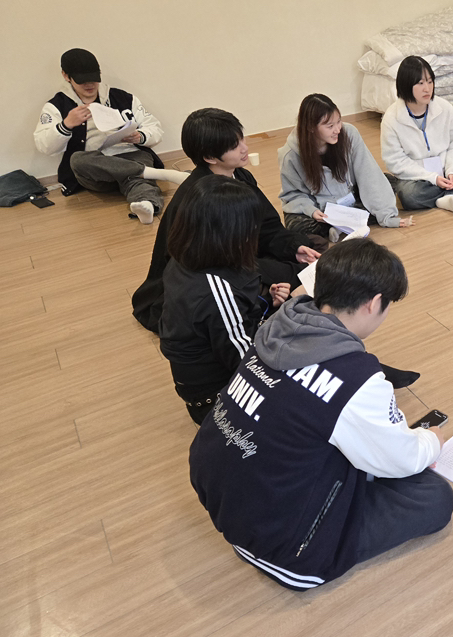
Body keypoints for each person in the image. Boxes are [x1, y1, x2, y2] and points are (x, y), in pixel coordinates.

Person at [189, 238, 453, 590]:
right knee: (434, 496)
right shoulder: (356, 377)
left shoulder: (276, 327)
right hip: (288, 547)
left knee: (336, 439)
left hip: (222, 497)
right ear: (374, 303)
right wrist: (432, 440)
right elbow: (405, 459)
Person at [131, 108, 319, 334]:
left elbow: (267, 226)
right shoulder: (202, 200)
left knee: (310, 246)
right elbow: (212, 266)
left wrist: (293, 247)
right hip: (217, 268)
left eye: (241, 139)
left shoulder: (240, 175)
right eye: (234, 146)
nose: (244, 148)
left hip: (239, 254)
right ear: (210, 157)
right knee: (299, 275)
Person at [159, 175, 291, 424]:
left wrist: (265, 304)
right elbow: (250, 361)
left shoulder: (184, 261)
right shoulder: (216, 292)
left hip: (205, 378)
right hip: (216, 399)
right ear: (230, 233)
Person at [33, 48, 188, 224]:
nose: (90, 85)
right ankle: (163, 175)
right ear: (66, 76)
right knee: (77, 159)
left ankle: (147, 206)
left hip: (131, 155)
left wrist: (140, 136)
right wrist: (66, 125)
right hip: (97, 170)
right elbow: (44, 146)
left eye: (94, 79)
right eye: (82, 81)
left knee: (136, 175)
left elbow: (154, 127)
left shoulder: (123, 98)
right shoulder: (56, 106)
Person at [280, 93, 412, 240]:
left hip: (350, 195)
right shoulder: (290, 155)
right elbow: (292, 194)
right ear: (311, 127)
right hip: (319, 206)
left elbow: (368, 173)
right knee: (297, 227)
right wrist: (310, 210)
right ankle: (350, 222)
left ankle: (339, 226)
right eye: (330, 126)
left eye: (339, 121)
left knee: (387, 182)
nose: (337, 129)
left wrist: (386, 216)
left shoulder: (349, 134)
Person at [380, 57, 453, 213]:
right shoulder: (391, 118)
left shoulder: (444, 108)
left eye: (430, 82)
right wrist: (432, 178)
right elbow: (395, 160)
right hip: (418, 177)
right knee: (409, 195)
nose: (427, 89)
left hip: (445, 166)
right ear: (406, 84)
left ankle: (441, 196)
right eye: (420, 83)